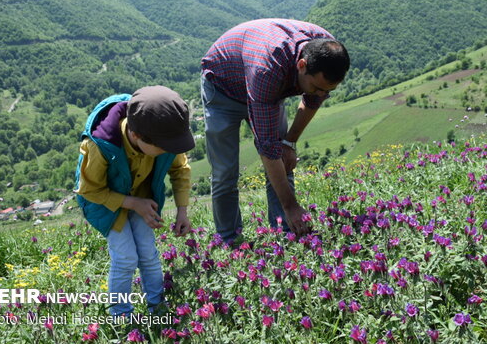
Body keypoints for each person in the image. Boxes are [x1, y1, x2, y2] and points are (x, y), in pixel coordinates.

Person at [200, 18, 350, 243]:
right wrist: (291, 206)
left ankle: (285, 235)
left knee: (284, 159)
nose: (321, 94)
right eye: (317, 88)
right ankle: (230, 240)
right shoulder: (267, 69)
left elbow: (311, 101)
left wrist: (289, 143)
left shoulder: (326, 53)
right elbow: (268, 148)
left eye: (327, 91)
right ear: (301, 65)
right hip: (223, 88)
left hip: (265, 89)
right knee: (225, 173)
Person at [75, 85, 195, 316]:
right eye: (162, 149)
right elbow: (89, 190)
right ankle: (120, 315)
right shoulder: (100, 145)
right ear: (136, 135)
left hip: (140, 199)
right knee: (126, 258)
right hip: (104, 204)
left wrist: (182, 211)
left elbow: (180, 169)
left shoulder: (163, 136)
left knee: (149, 254)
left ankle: (157, 306)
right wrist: (132, 203)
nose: (168, 152)